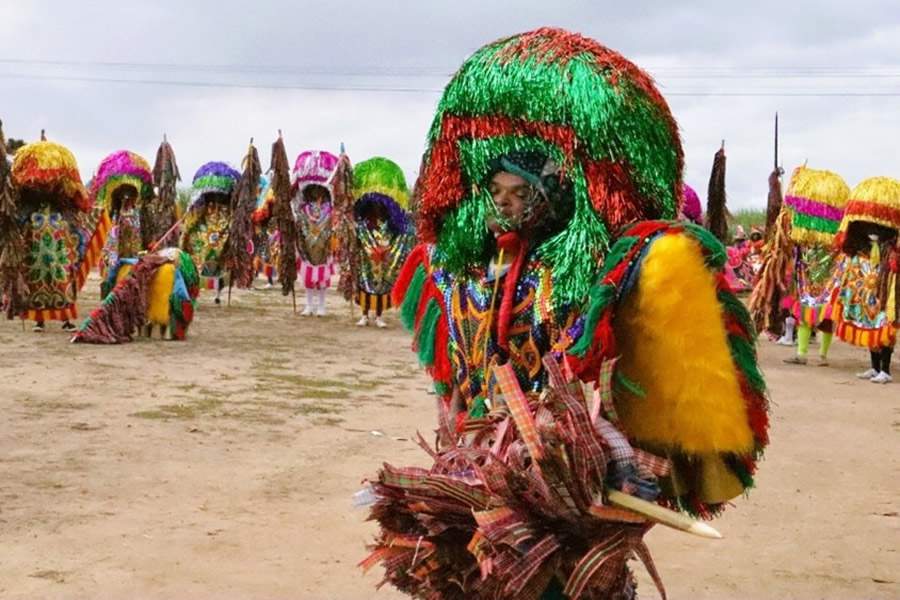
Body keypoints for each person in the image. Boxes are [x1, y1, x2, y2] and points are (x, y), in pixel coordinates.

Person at [365, 28, 769, 600]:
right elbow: (452, 384)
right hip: (479, 489)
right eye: (496, 189)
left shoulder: (608, 271)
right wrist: (460, 442)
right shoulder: (460, 273)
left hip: (574, 493)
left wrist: (598, 454)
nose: (502, 201)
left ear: (559, 187)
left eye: (517, 189)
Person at [8, 136, 94, 332]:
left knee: (62, 279)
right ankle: (39, 320)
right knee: (37, 280)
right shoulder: (28, 194)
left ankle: (66, 319)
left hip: (59, 245)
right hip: (35, 243)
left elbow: (78, 205)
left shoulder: (61, 195)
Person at [772, 166, 850, 365]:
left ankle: (806, 354)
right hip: (814, 273)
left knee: (813, 313)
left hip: (816, 274)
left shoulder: (807, 236)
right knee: (815, 314)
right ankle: (813, 354)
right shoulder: (818, 238)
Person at [829, 177, 900, 383]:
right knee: (869, 326)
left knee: (884, 327)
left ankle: (885, 370)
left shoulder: (892, 250)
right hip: (866, 296)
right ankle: (874, 367)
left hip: (885, 294)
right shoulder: (861, 251)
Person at [350, 157, 413, 328]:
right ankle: (364, 315)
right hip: (367, 259)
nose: (377, 206)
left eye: (380, 203)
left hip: (384, 259)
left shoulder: (389, 222)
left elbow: (399, 234)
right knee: (365, 282)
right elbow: (359, 235)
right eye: (374, 203)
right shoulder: (364, 222)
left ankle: (378, 316)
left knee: (381, 285)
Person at [89, 150, 154, 297]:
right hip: (116, 254)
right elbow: (109, 235)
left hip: (135, 254)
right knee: (112, 276)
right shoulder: (115, 213)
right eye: (124, 195)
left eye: (130, 195)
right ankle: (108, 294)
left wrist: (150, 243)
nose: (127, 198)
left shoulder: (140, 213)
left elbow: (146, 232)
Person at [180, 161, 240, 304]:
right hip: (204, 232)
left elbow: (233, 217)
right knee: (196, 260)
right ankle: (194, 291)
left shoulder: (228, 207)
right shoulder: (204, 205)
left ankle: (218, 294)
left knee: (222, 263)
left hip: (223, 232)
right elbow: (194, 216)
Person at [291, 150, 339, 316]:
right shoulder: (304, 208)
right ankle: (309, 304)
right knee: (307, 277)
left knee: (323, 279)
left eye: (320, 190)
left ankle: (322, 306)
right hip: (307, 245)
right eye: (313, 190)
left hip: (324, 246)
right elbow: (298, 220)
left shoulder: (330, 209)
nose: (316, 193)